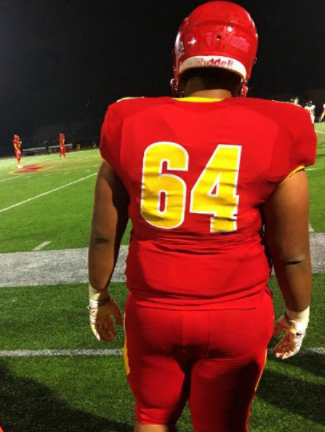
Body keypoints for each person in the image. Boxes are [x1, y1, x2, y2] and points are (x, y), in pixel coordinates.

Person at [88, 2, 317, 431]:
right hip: (238, 314)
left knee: (153, 418)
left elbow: (105, 236)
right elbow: (291, 254)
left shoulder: (129, 118)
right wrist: (298, 313)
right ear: (245, 61)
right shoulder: (279, 125)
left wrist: (98, 295)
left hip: (153, 311)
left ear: (180, 58)